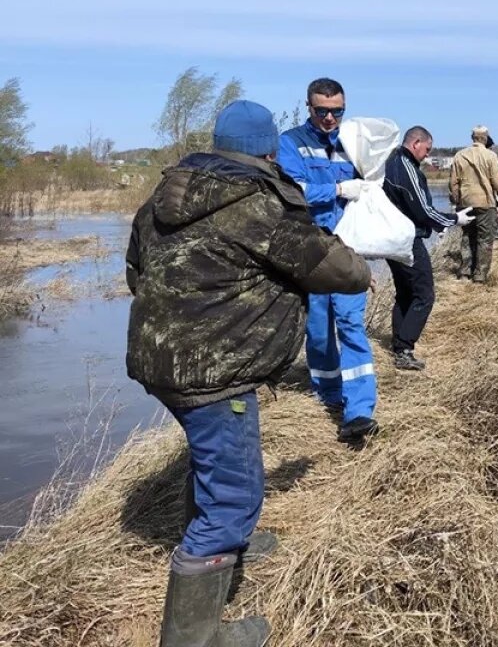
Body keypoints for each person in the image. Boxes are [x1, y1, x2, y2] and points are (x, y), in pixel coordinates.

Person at [127, 100, 371, 646]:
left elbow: (134, 269)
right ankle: (194, 636)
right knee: (236, 497)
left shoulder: (161, 198)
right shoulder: (258, 204)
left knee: (218, 455)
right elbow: (339, 269)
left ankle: (227, 540)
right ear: (268, 150)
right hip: (215, 372)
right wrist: (363, 262)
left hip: (159, 358)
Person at [277, 77, 379, 443]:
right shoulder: (292, 143)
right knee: (318, 331)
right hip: (313, 251)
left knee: (351, 324)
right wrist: (337, 189)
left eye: (338, 111)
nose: (330, 119)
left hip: (348, 250)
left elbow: (375, 183)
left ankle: (359, 411)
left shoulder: (353, 144)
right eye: (323, 111)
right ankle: (328, 395)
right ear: (309, 107)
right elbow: (293, 192)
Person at [382, 126, 475, 371]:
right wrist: (453, 219)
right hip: (406, 239)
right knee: (424, 294)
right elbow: (422, 208)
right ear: (416, 143)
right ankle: (404, 349)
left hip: (393, 238)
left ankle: (399, 345)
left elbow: (414, 208)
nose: (427, 155)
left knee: (405, 292)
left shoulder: (392, 162)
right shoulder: (405, 166)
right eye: (427, 149)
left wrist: (436, 225)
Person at [449, 126, 498, 282]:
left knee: (467, 236)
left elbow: (453, 183)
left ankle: (465, 271)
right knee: (485, 239)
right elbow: (497, 181)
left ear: (472, 137)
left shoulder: (459, 155)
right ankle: (480, 275)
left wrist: (456, 201)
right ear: (486, 138)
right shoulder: (490, 156)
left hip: (465, 202)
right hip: (485, 202)